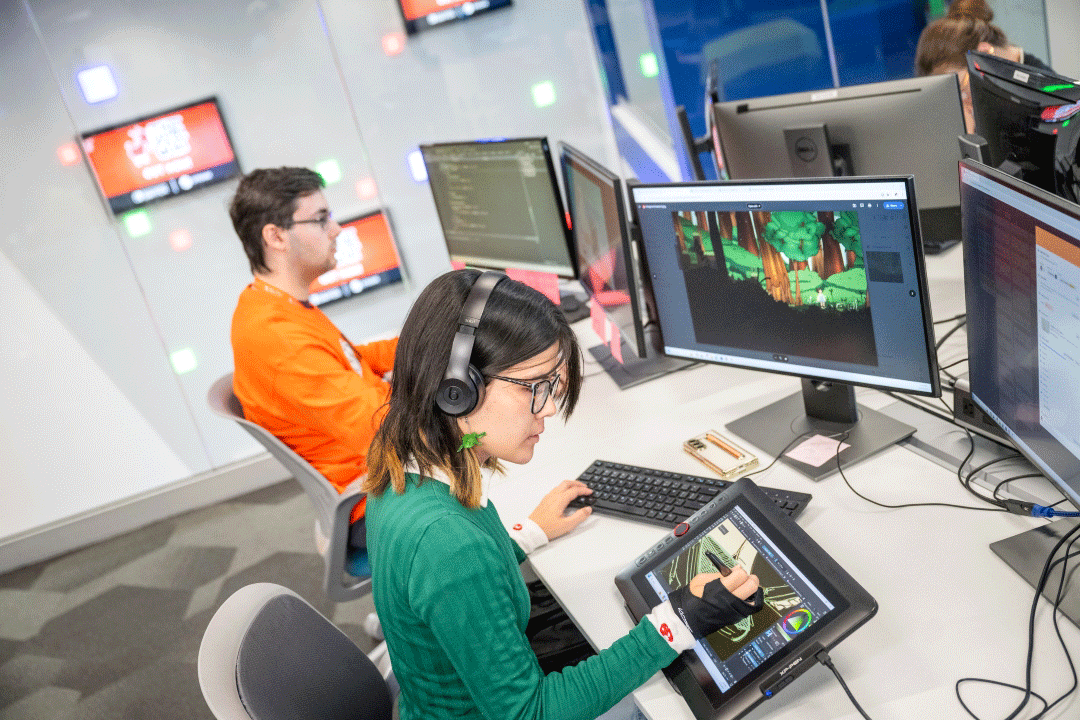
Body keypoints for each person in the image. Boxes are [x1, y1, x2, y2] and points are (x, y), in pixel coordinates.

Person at [363, 269, 763, 720]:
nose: (549, 407)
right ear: (457, 391)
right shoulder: (447, 543)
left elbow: (447, 583)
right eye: (534, 387)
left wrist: (529, 535)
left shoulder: (406, 465)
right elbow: (531, 713)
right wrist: (677, 623)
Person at [229, 166, 396, 554]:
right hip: (375, 498)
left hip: (379, 471)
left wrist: (433, 339)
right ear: (276, 236)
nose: (337, 229)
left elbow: (353, 362)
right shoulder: (277, 337)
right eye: (321, 219)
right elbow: (382, 428)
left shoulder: (273, 304)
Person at [914, 0, 1052, 134]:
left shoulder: (1047, 97)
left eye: (962, 90)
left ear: (985, 56)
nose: (963, 104)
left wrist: (969, 138)